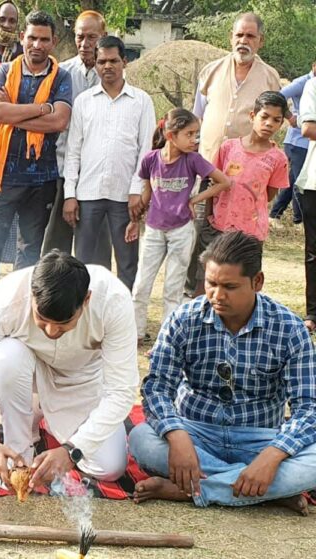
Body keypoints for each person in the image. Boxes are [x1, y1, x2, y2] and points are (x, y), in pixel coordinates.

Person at [130, 232, 316, 516]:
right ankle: (263, 492)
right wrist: (176, 435)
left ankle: (193, 489)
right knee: (141, 438)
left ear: (258, 282)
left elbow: (309, 408)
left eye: (229, 286)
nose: (216, 295)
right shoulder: (184, 318)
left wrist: (273, 456)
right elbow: (156, 388)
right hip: (195, 435)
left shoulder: (290, 328)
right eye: (211, 283)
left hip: (261, 439)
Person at [0, 251, 139, 491]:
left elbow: (121, 391)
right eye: (42, 319)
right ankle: (19, 452)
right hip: (28, 369)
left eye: (63, 324)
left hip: (81, 377)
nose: (50, 331)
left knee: (109, 467)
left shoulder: (113, 301)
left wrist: (72, 451)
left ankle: (43, 415)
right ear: (31, 296)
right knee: (7, 354)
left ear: (86, 300)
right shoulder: (5, 299)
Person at [0, 10, 73, 299]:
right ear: (22, 38)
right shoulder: (4, 71)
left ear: (53, 41)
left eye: (44, 39)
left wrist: (12, 114)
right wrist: (42, 109)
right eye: (32, 38)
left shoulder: (61, 77)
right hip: (3, 175)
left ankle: (16, 306)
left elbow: (59, 121)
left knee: (29, 249)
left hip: (41, 179)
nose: (37, 45)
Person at [186, 12, 280, 297]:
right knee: (202, 238)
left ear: (260, 41)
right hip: (207, 171)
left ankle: (239, 298)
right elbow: (195, 119)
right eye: (239, 35)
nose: (243, 41)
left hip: (247, 181)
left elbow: (272, 120)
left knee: (241, 244)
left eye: (250, 36)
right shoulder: (211, 72)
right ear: (231, 37)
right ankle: (195, 297)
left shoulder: (270, 77)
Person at [126, 109, 230, 345]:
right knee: (142, 284)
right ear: (171, 135)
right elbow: (147, 192)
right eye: (189, 134)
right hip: (153, 229)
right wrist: (135, 220)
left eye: (197, 134)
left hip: (181, 229)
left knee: (173, 287)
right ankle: (136, 333)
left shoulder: (193, 160)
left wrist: (194, 200)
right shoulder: (151, 159)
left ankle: (167, 336)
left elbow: (224, 182)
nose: (195, 140)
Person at [63, 36, 156, 290]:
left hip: (125, 197)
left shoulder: (141, 101)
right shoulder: (84, 101)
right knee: (82, 263)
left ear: (125, 61)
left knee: (127, 263)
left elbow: (145, 152)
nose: (107, 66)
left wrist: (136, 190)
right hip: (88, 195)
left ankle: (122, 320)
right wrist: (70, 195)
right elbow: (73, 152)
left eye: (113, 60)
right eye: (102, 61)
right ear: (95, 65)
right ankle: (83, 318)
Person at [192, 91, 289, 294]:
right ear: (253, 116)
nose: (269, 123)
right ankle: (202, 322)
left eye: (276, 120)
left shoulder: (278, 159)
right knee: (207, 280)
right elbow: (213, 183)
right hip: (217, 226)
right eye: (264, 117)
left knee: (244, 284)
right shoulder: (228, 148)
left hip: (251, 232)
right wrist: (209, 218)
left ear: (281, 124)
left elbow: (269, 195)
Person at [43, 10, 109, 257]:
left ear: (104, 36)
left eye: (92, 37)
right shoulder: (61, 73)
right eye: (80, 36)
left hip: (99, 175)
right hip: (63, 169)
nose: (85, 44)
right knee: (56, 243)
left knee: (97, 248)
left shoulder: (114, 76)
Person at [269, 61, 316, 229]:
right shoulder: (302, 83)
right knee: (301, 182)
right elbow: (278, 96)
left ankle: (275, 214)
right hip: (298, 141)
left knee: (292, 180)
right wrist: (290, 117)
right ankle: (300, 220)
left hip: (308, 143)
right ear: (314, 66)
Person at [296, 70, 316, 333]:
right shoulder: (313, 86)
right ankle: (313, 313)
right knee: (314, 251)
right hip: (315, 183)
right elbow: (309, 127)